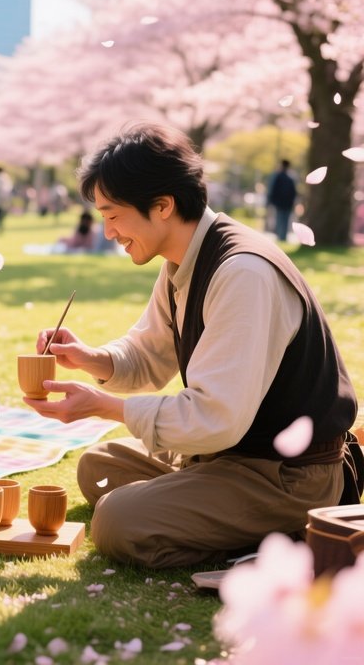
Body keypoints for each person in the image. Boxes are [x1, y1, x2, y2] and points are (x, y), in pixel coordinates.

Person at [24, 122, 360, 569]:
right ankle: (208, 507)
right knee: (98, 466)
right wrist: (91, 358)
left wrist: (104, 407)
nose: (108, 232)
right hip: (228, 456)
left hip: (286, 476)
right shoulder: (184, 260)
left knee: (117, 521)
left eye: (113, 215)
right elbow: (148, 354)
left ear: (162, 205)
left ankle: (282, 537)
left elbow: (215, 417)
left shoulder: (243, 273)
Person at [267, 159, 298, 242]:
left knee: (280, 219)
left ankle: (280, 237)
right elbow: (294, 192)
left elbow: (272, 189)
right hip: (287, 203)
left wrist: (271, 201)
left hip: (280, 203)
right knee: (285, 220)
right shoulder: (291, 178)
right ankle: (283, 237)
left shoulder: (277, 176)